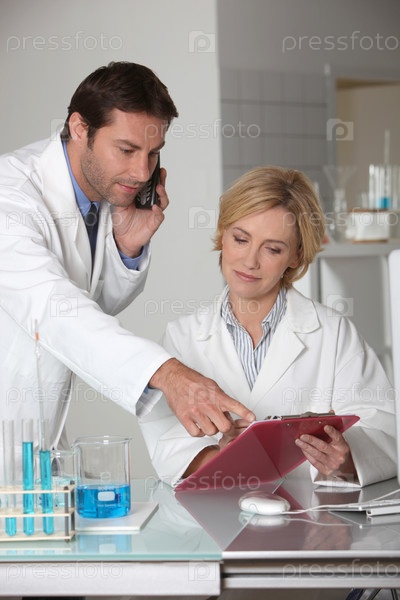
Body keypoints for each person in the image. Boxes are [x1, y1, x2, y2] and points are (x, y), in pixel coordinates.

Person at [0, 61, 254, 468]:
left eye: (153, 153)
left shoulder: (101, 196)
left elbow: (89, 306)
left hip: (35, 443)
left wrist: (125, 247)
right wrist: (167, 373)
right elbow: (53, 309)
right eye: (127, 150)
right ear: (80, 128)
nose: (140, 172)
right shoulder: (10, 197)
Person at [139, 165, 396, 488]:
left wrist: (346, 457)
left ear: (296, 256)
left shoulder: (332, 333)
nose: (250, 261)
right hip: (216, 510)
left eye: (272, 248)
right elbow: (164, 438)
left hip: (314, 514)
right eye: (240, 239)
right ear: (222, 234)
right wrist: (221, 457)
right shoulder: (182, 337)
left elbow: (383, 429)